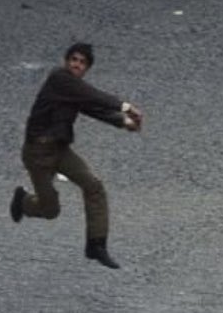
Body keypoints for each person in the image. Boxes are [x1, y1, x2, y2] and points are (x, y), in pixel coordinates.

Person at [10, 43, 143, 270]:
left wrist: (123, 122)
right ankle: (23, 202)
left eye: (82, 62)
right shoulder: (59, 79)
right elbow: (93, 95)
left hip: (60, 150)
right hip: (38, 154)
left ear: (87, 68)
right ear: (66, 61)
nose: (76, 65)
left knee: (94, 185)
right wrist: (126, 107)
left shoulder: (73, 90)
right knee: (50, 210)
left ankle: (96, 244)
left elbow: (92, 107)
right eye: (73, 59)